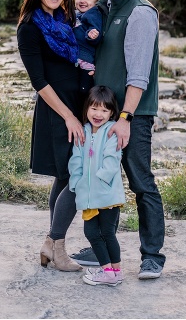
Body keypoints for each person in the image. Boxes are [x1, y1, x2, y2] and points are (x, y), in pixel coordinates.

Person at [69, 0, 166, 280]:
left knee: (141, 183)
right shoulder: (102, 9)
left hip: (130, 115)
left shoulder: (140, 12)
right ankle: (102, 249)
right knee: (101, 182)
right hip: (101, 113)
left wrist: (124, 118)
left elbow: (139, 74)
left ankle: (152, 256)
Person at [17, 0, 85, 272]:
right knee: (74, 175)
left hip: (76, 106)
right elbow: (39, 82)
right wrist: (69, 116)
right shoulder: (30, 27)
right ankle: (55, 245)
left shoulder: (66, 20)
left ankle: (53, 244)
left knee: (65, 175)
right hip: (56, 110)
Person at [68, 85, 125, 287]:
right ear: (87, 109)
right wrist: (76, 182)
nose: (98, 114)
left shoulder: (111, 131)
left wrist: (101, 178)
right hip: (89, 194)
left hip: (107, 193)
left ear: (111, 113)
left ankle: (112, 272)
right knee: (92, 232)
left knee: (107, 233)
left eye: (104, 110)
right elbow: (76, 159)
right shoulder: (82, 131)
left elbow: (112, 158)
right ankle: (110, 271)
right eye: (94, 108)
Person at [73, 0, 106, 95]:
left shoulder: (93, 14)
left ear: (97, 1)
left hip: (86, 60)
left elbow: (95, 29)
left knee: (84, 91)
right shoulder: (75, 13)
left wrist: (92, 34)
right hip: (75, 57)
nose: (82, 1)